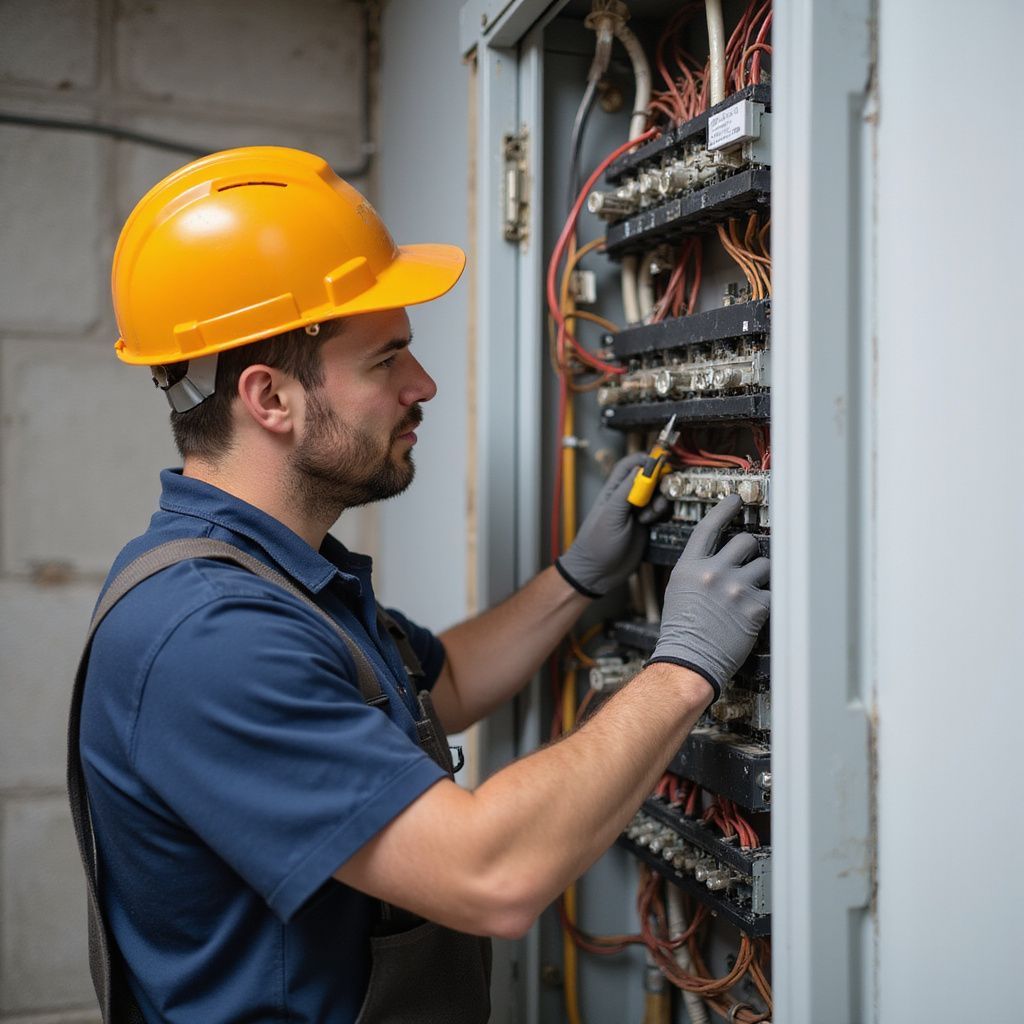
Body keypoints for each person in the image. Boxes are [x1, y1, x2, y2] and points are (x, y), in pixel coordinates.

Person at [73, 146, 770, 1023]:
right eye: (386, 360)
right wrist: (687, 664)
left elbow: (439, 682)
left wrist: (576, 579)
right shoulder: (209, 635)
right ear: (270, 399)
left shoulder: (275, 580)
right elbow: (492, 874)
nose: (424, 384)